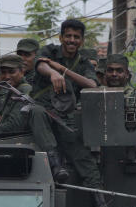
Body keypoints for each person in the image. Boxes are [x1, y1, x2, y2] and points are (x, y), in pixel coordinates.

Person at [30, 19, 102, 197]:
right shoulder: (50, 50)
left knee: (84, 158)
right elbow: (40, 64)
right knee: (35, 112)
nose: (72, 40)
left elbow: (92, 85)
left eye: (76, 37)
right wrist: (52, 72)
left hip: (64, 115)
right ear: (61, 37)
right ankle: (55, 164)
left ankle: (101, 203)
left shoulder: (83, 62)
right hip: (42, 109)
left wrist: (62, 69)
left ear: (82, 41)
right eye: (68, 36)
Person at [0, 53, 33, 138]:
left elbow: (15, 125)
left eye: (12, 72)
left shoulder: (25, 90)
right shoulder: (12, 90)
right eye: (3, 72)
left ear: (22, 71)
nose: (7, 76)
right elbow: (0, 117)